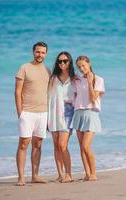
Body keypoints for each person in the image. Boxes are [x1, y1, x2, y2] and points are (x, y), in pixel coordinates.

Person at [15, 42, 51, 186]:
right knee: (24, 144)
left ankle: (35, 175)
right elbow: (17, 91)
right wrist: (20, 112)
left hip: (43, 113)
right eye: (37, 52)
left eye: (42, 52)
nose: (40, 55)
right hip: (27, 113)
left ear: (46, 54)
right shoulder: (24, 68)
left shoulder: (48, 70)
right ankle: (21, 177)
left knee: (38, 144)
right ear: (33, 52)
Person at [70, 55, 105, 181]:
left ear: (89, 64)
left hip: (91, 113)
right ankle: (87, 173)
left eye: (83, 65)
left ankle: (93, 173)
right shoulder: (77, 80)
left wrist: (90, 81)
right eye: (79, 67)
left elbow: (93, 98)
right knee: (81, 147)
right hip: (78, 113)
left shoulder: (98, 79)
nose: (81, 68)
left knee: (86, 146)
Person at [47, 51, 76, 183]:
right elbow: (46, 97)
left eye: (65, 61)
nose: (62, 63)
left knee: (62, 145)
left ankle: (68, 174)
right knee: (56, 146)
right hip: (53, 115)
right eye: (60, 61)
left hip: (68, 115)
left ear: (70, 62)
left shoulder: (75, 79)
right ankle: (60, 174)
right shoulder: (52, 78)